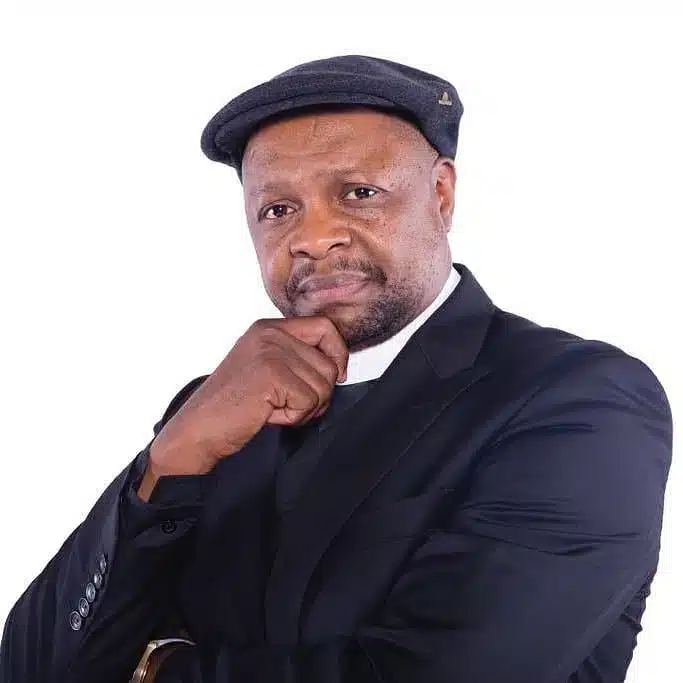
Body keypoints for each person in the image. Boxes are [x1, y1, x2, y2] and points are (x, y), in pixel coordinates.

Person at [0, 54, 673, 683]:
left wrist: (150, 670)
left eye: (358, 192)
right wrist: (170, 458)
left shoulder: (579, 400)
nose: (313, 237)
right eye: (278, 209)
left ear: (441, 195)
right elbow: (30, 665)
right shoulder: (213, 415)